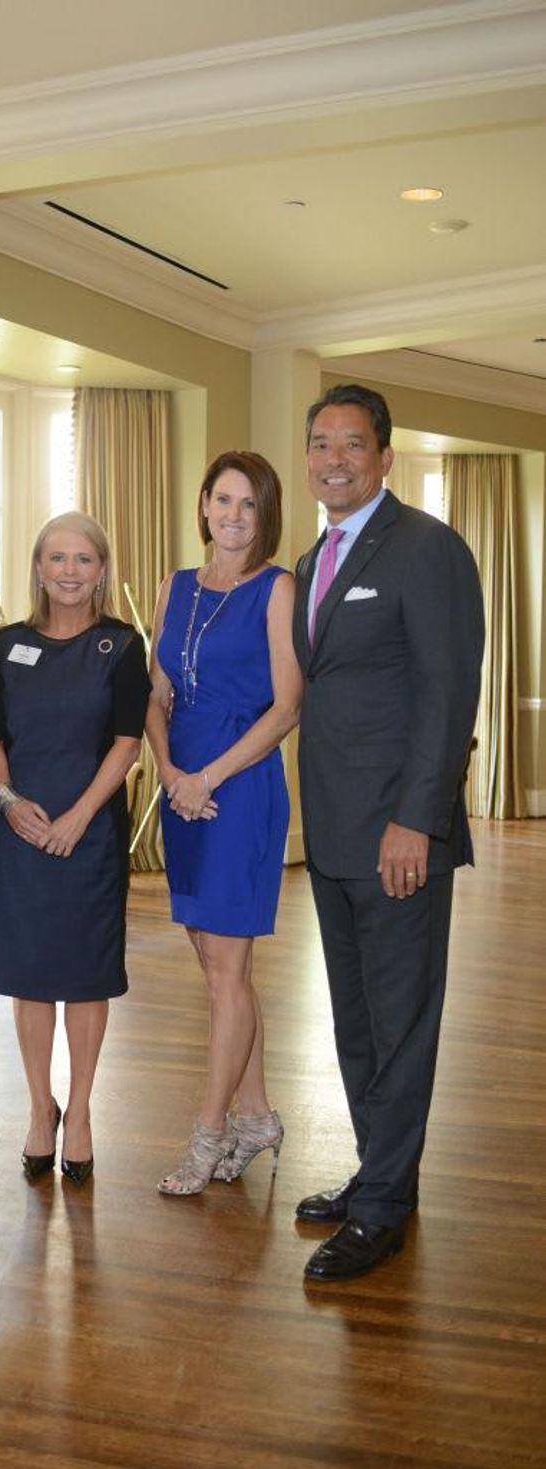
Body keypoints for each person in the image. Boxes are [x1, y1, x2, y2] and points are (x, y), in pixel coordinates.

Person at [294, 382, 484, 1282]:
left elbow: (449, 696)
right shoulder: (311, 559)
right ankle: (382, 1173)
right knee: (359, 1020)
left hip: (398, 836)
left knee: (402, 1021)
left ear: (384, 456)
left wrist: (418, 817)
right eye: (321, 443)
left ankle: (381, 1210)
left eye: (353, 444)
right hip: (332, 835)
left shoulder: (427, 549)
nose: (336, 458)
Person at [146, 451, 302, 1196]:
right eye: (224, 500)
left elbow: (287, 706)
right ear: (203, 504)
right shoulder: (174, 586)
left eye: (250, 504)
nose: (235, 515)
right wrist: (172, 772)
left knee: (231, 969)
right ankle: (258, 1113)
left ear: (263, 516)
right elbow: (156, 693)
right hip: (183, 790)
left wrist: (208, 775)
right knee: (216, 967)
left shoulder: (277, 589)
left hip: (239, 789)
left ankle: (208, 1134)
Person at [0, 512, 150, 1184]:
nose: (70, 571)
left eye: (84, 559)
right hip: (20, 831)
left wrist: (81, 815)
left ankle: (77, 1112)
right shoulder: (6, 645)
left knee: (84, 975)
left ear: (102, 569)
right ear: (39, 567)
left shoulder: (121, 644)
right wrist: (8, 800)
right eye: (57, 558)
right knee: (30, 977)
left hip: (90, 836)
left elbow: (128, 742)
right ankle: (38, 1111)